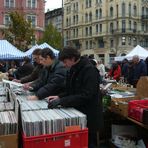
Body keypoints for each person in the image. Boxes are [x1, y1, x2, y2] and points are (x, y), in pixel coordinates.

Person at [47, 46, 103, 148]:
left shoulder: (90, 70)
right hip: (77, 113)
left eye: (65, 61)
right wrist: (58, 96)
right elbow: (70, 90)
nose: (64, 65)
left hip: (90, 116)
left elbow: (86, 95)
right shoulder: (72, 69)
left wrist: (62, 101)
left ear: (72, 58)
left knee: (89, 143)